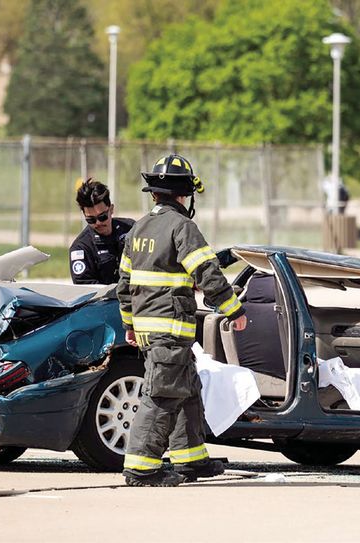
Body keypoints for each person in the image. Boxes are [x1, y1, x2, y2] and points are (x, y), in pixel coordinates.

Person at [116, 154, 247, 487]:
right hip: (170, 328)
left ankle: (190, 460)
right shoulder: (182, 227)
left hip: (150, 329)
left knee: (186, 389)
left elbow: (124, 285)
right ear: (184, 194)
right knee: (161, 395)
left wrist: (130, 325)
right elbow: (207, 272)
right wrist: (234, 310)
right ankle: (142, 468)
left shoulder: (139, 228)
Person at [70, 179, 134, 284]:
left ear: (111, 209)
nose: (98, 223)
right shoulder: (81, 248)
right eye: (91, 220)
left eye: (102, 216)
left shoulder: (131, 229)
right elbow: (85, 288)